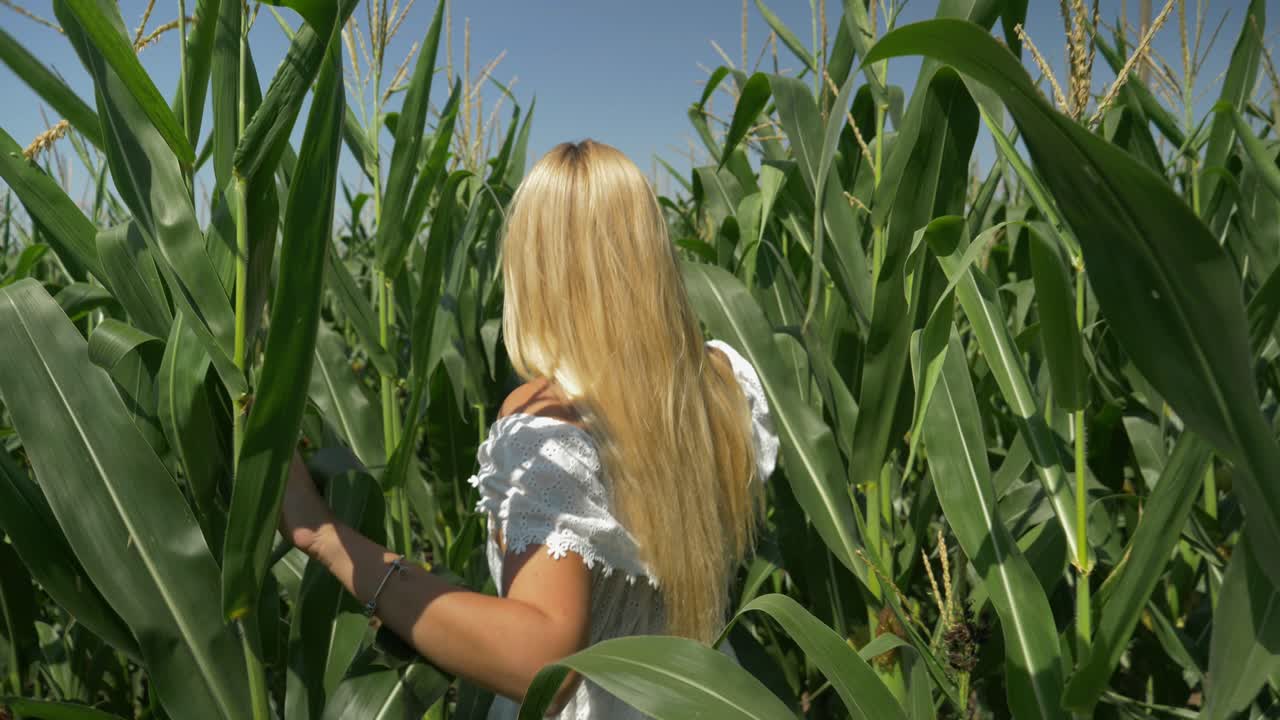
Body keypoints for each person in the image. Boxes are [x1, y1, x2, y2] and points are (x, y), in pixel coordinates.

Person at [279, 139, 779, 719]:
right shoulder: (721, 379)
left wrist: (326, 539)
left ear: (534, 265)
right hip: (709, 700)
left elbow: (541, 660)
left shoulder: (549, 423)